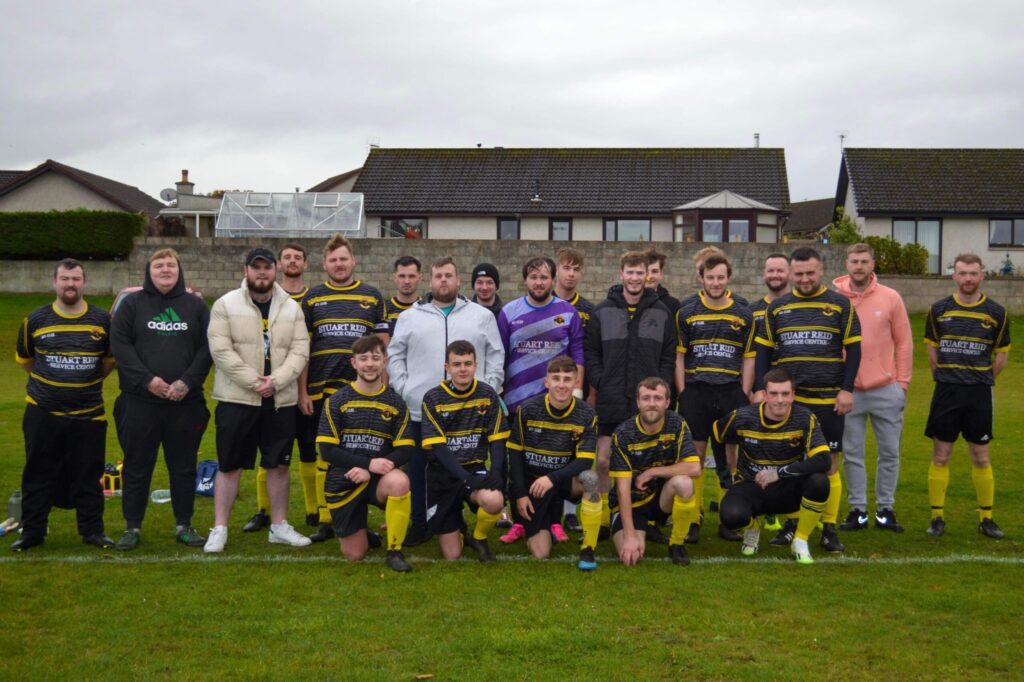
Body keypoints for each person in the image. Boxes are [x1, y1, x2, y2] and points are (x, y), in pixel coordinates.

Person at [388, 257, 505, 547]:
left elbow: (496, 355)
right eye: (438, 275)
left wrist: (488, 389)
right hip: (420, 410)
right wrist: (404, 389)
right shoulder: (410, 316)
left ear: (458, 280)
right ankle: (419, 522)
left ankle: (464, 517)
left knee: (467, 463)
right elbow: (395, 355)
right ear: (430, 281)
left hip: (469, 412)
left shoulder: (480, 315)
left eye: (448, 275)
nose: (443, 280)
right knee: (418, 469)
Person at [203, 248, 312, 553]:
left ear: (275, 269)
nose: (261, 273)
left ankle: (278, 526)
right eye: (256, 267)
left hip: (280, 400)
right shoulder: (224, 304)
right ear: (246, 270)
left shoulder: (291, 307)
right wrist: (256, 383)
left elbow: (300, 351)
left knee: (278, 465)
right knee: (229, 465)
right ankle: (220, 528)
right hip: (237, 398)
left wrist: (275, 382)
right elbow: (221, 351)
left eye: (267, 267)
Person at [753, 247, 861, 554]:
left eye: (809, 273)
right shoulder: (778, 307)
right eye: (798, 274)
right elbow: (763, 350)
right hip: (788, 402)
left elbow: (853, 350)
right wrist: (761, 389)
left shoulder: (840, 304)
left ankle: (828, 528)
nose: (804, 279)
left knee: (829, 465)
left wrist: (847, 388)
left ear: (821, 270)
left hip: (828, 399)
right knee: (788, 462)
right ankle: (793, 523)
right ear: (790, 274)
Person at [110, 248, 212, 551]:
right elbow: (120, 345)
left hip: (185, 403)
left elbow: (208, 348)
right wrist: (148, 380)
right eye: (159, 265)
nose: (165, 270)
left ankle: (184, 525)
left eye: (171, 265)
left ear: (179, 271)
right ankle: (133, 527)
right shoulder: (132, 305)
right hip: (139, 403)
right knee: (137, 466)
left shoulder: (195, 306)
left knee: (183, 467)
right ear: (149, 271)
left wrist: (187, 382)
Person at [11, 259, 116, 551]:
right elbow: (26, 360)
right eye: (65, 279)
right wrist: (52, 384)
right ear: (54, 282)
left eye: (76, 279)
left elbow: (109, 362)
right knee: (37, 473)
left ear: (84, 283)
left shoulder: (102, 320)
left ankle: (92, 531)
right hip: (43, 413)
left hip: (88, 414)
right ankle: (32, 532)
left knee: (89, 475)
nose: (70, 284)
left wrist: (81, 382)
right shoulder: (36, 319)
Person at [299, 234, 389, 543]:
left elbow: (382, 346)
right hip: (322, 391)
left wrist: (383, 385)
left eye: (344, 259)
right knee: (327, 454)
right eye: (333, 260)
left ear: (353, 261)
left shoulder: (372, 296)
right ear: (324, 264)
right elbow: (304, 348)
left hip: (361, 392)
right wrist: (303, 391)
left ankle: (356, 520)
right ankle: (326, 518)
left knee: (360, 453)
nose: (339, 264)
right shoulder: (312, 298)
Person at [585, 251, 676, 538]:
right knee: (603, 460)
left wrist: (659, 384)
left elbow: (668, 355)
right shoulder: (602, 311)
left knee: (646, 461)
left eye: (641, 273)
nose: (636, 278)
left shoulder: (661, 312)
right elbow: (592, 353)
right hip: (612, 397)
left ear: (647, 276)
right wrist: (602, 381)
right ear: (621, 274)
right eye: (631, 272)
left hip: (646, 401)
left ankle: (646, 518)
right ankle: (600, 520)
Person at [496, 257, 585, 544]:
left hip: (556, 404)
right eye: (533, 277)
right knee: (518, 462)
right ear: (525, 280)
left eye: (544, 277)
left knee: (556, 461)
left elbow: (578, 356)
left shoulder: (567, 312)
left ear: (552, 279)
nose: (539, 282)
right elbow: (500, 356)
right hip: (517, 402)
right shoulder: (509, 312)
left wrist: (577, 394)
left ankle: (555, 520)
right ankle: (519, 520)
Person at [923, 253, 1010, 539]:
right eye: (963, 273)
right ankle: (937, 517)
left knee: (981, 456)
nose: (968, 278)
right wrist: (949, 377)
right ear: (954, 276)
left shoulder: (997, 312)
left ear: (982, 275)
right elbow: (932, 352)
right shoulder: (939, 310)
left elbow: (1001, 356)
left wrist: (980, 380)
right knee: (941, 454)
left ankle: (986, 518)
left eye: (973, 273)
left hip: (978, 394)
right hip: (946, 392)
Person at [316, 335, 415, 572]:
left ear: (384, 362)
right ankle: (361, 530)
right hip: (345, 479)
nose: (370, 364)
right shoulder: (337, 401)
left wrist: (375, 468)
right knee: (354, 555)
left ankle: (394, 550)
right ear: (354, 363)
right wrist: (367, 464)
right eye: (364, 358)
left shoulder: (396, 402)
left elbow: (406, 448)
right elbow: (327, 450)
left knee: (400, 481)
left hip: (378, 478)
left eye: (375, 358)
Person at [674, 254, 754, 543]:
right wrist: (683, 391)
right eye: (710, 278)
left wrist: (744, 392)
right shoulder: (686, 310)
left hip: (730, 391)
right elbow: (680, 355)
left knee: (730, 458)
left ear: (728, 277)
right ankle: (693, 518)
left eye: (721, 277)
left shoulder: (744, 313)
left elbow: (748, 357)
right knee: (694, 457)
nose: (716, 282)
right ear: (701, 278)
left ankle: (727, 518)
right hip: (696, 391)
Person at [833, 243, 913, 533]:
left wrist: (902, 384)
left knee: (889, 452)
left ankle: (885, 509)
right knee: (853, 452)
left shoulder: (890, 297)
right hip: (848, 390)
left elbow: (904, 342)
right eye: (854, 261)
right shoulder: (836, 298)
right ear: (847, 263)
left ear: (872, 264)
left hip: (886, 388)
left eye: (864, 261)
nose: (859, 266)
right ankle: (858, 511)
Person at [715, 368, 831, 564]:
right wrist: (724, 472)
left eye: (785, 394)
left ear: (793, 395)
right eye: (774, 394)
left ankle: (800, 539)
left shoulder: (804, 418)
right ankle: (752, 528)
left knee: (819, 482)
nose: (780, 400)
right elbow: (716, 434)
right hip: (752, 485)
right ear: (764, 395)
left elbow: (824, 460)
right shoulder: (743, 416)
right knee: (730, 516)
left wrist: (780, 473)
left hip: (788, 486)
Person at [243, 242, 319, 534]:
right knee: (269, 451)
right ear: (278, 264)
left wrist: (303, 390)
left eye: (297, 257)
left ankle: (313, 511)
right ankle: (263, 510)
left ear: (305, 264)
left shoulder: (310, 300)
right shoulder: (264, 297)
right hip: (266, 388)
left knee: (309, 450)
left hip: (302, 387)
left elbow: (305, 348)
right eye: (286, 257)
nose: (292, 262)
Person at [508, 356, 602, 571]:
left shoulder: (586, 414)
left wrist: (552, 478)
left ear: (576, 382)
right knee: (541, 554)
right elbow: (514, 455)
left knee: (591, 479)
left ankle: (588, 548)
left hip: (561, 480)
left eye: (567, 379)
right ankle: (544, 522)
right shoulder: (528, 409)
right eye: (556, 378)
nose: (561, 384)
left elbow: (586, 459)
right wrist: (521, 494)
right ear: (546, 382)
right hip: (534, 485)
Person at [420, 341, 509, 562]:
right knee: (452, 555)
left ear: (475, 365)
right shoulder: (433, 398)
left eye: (467, 363)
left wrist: (496, 472)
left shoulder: (488, 394)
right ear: (447, 367)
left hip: (474, 469)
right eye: (457, 364)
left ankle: (478, 537)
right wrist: (465, 479)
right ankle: (457, 524)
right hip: (443, 474)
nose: (462, 369)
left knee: (495, 500)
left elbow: (497, 438)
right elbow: (438, 448)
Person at [610, 377, 701, 567]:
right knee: (631, 557)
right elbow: (622, 489)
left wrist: (653, 472)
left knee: (684, 483)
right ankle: (642, 528)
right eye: (646, 398)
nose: (652, 404)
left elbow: (694, 467)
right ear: (638, 402)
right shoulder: (623, 434)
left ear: (668, 402)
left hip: (660, 499)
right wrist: (629, 535)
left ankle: (676, 543)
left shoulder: (676, 423)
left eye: (658, 398)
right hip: (633, 503)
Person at [749, 252, 792, 536]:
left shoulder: (799, 308)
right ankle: (763, 508)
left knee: (789, 450)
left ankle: (790, 513)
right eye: (770, 270)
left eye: (780, 270)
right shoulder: (752, 309)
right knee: (760, 449)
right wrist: (755, 389)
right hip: (763, 393)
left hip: (789, 393)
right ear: (763, 274)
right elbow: (750, 354)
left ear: (788, 273)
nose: (775, 275)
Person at [553, 247, 595, 532]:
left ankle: (569, 510)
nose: (571, 273)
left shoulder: (589, 310)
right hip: (542, 388)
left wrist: (588, 392)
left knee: (571, 448)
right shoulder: (541, 301)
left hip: (574, 390)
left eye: (576, 269)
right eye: (566, 267)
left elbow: (589, 354)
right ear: (556, 270)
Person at [385, 256, 423, 335]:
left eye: (412, 276)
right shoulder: (383, 309)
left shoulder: (428, 308)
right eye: (402, 276)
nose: (406, 281)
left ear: (420, 278)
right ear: (395, 278)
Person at [644, 247, 681, 317]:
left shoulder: (673, 305)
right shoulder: (630, 302)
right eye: (646, 271)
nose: (649, 276)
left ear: (661, 274)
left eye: (654, 271)